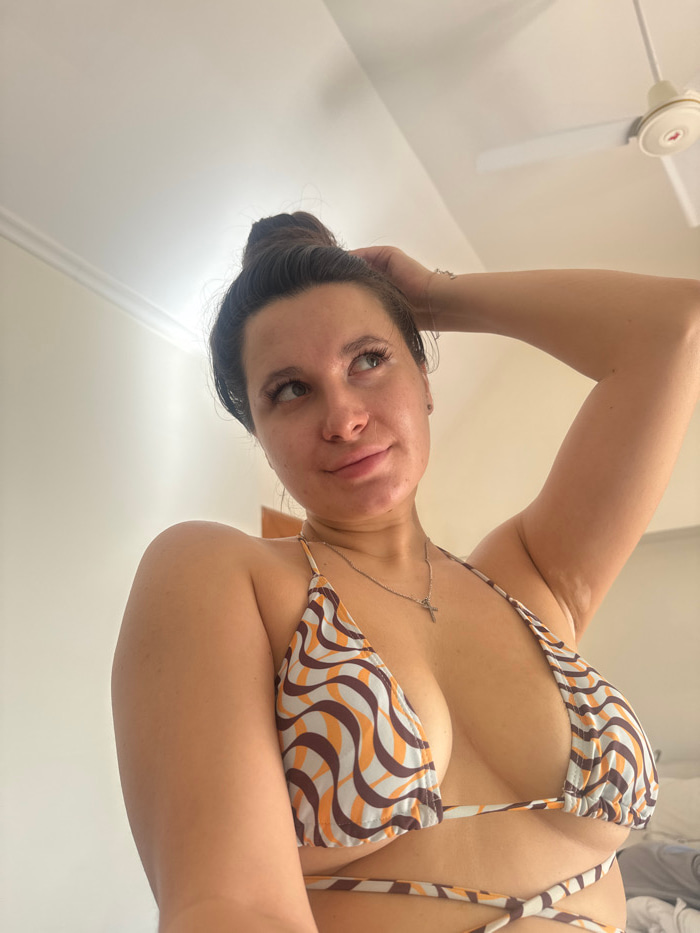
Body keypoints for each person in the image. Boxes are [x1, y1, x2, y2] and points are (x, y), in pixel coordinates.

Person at [112, 211, 700, 933]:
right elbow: (229, 910)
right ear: (259, 435)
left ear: (424, 377)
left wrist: (435, 298)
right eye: (290, 390)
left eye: (368, 359)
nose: (343, 417)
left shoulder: (533, 576)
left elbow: (674, 329)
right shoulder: (226, 574)